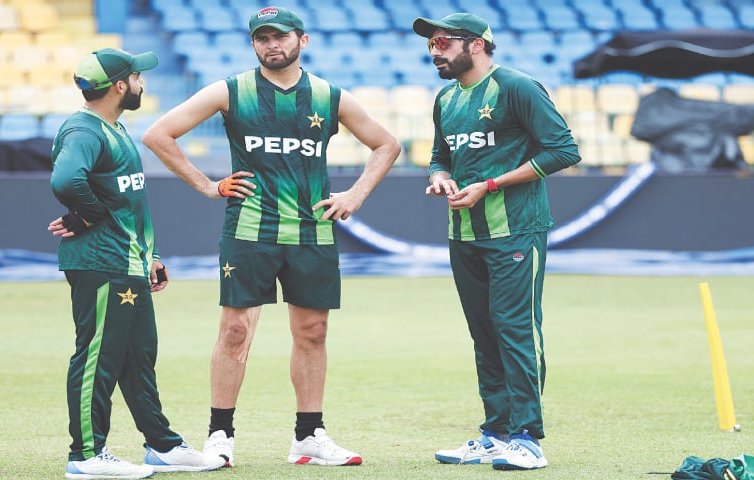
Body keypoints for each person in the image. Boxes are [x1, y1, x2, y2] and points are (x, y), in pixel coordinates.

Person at [142, 5, 401, 468]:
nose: (271, 44)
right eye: (262, 38)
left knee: (313, 332)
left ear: (303, 40)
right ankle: (220, 434)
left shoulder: (328, 95)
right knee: (236, 330)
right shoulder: (231, 90)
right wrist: (207, 184)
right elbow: (159, 134)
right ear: (253, 44)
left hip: (312, 230)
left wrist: (356, 195)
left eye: (280, 36)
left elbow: (387, 144)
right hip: (248, 230)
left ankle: (309, 436)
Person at [48, 48, 228, 479]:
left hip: (128, 263)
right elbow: (64, 180)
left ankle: (162, 446)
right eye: (137, 77)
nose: (143, 83)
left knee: (138, 355)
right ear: (119, 86)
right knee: (99, 356)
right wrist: (90, 215)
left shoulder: (115, 128)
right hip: (102, 262)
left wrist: (153, 255)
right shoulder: (84, 131)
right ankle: (86, 455)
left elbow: (129, 202)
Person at [412, 13, 581, 471]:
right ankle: (496, 433)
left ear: (477, 45)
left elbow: (564, 150)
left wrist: (489, 185)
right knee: (484, 335)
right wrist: (440, 178)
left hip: (517, 230)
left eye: (444, 42)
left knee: (516, 330)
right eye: (431, 44)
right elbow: (438, 157)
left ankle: (528, 438)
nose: (435, 51)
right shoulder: (446, 97)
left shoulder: (518, 87)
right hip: (464, 234)